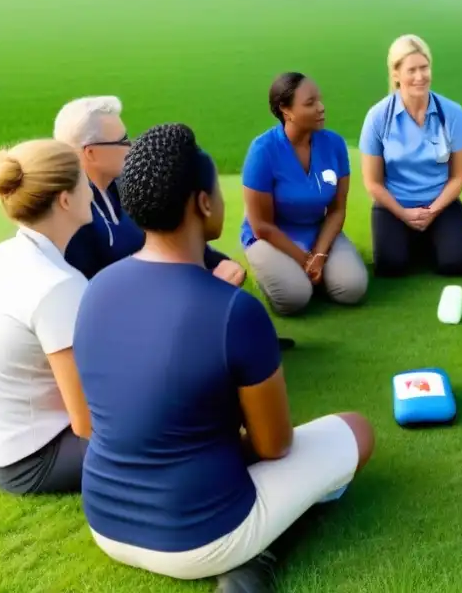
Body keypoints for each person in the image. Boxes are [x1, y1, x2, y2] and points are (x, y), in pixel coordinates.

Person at [72, 123, 375, 591]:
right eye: (217, 188)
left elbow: (101, 420)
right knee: (357, 429)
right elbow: (274, 446)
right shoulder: (234, 310)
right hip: (201, 534)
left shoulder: (95, 290)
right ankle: (254, 558)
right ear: (203, 203)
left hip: (104, 525)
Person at [0, 139, 94, 495]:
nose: (92, 190)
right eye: (84, 181)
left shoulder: (5, 254)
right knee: (173, 431)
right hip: (34, 461)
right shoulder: (57, 287)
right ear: (65, 199)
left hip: (4, 449)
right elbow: (88, 423)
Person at [54, 95, 246, 286]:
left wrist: (220, 262)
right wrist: (206, 283)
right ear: (91, 153)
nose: (131, 147)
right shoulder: (74, 221)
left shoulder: (127, 185)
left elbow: (170, 236)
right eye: (123, 141)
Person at [240, 72, 368, 316]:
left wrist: (319, 255)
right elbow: (262, 226)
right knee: (294, 298)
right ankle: (274, 275)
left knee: (353, 288)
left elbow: (337, 209)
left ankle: (309, 276)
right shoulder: (263, 151)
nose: (321, 108)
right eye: (310, 103)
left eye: (320, 100)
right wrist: (304, 259)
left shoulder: (335, 145)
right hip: (270, 236)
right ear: (286, 111)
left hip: (315, 229)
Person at [359, 34, 462, 277]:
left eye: (424, 68)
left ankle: (429, 237)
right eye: (411, 70)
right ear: (395, 74)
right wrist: (404, 214)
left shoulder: (453, 113)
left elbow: (459, 176)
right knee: (391, 267)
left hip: (440, 204)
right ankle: (415, 239)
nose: (420, 76)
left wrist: (432, 211)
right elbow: (373, 182)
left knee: (456, 264)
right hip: (394, 206)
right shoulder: (377, 117)